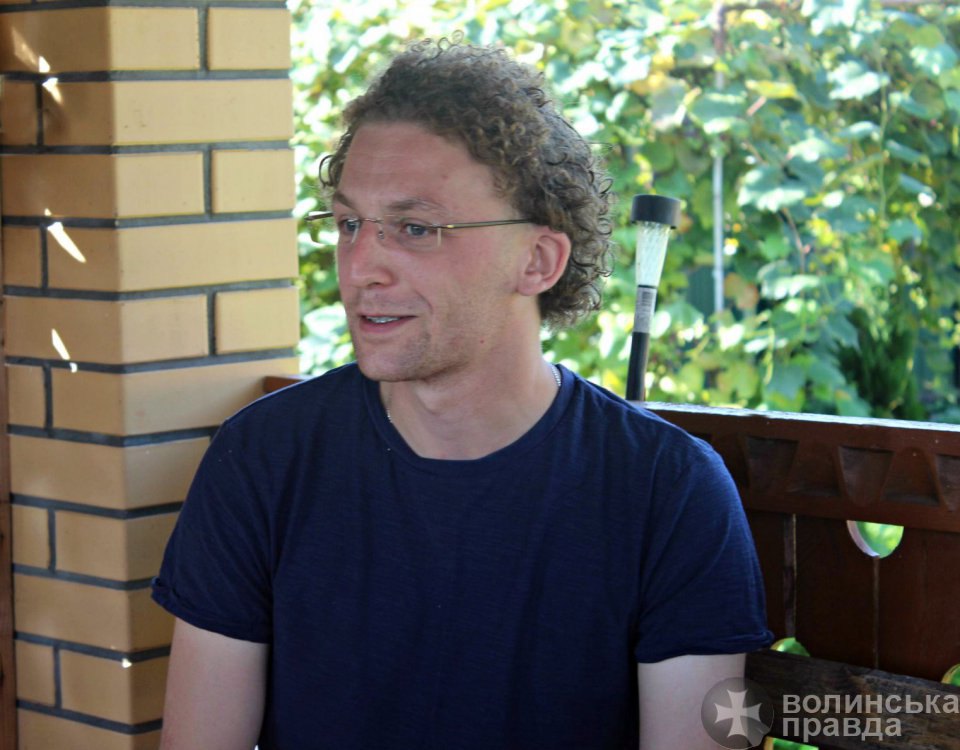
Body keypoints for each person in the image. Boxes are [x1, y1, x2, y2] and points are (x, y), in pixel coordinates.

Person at [153, 37, 772, 750]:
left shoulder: (667, 491)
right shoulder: (264, 459)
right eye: (350, 224)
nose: (360, 267)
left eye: (416, 228)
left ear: (538, 259)